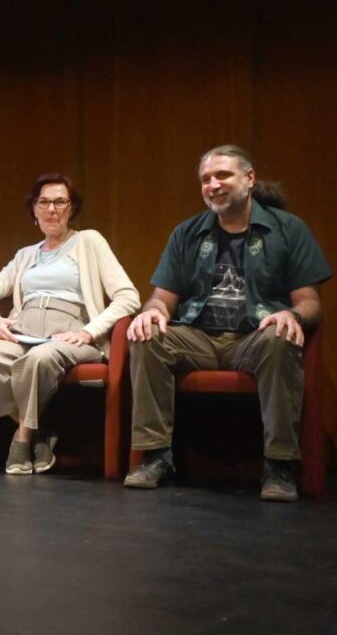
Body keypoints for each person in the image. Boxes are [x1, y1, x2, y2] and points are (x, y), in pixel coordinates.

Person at [124, 145, 331, 501]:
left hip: (255, 337)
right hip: (198, 337)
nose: (213, 184)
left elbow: (310, 302)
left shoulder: (288, 229)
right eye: (206, 179)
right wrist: (152, 311)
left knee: (279, 337)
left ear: (249, 178)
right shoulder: (187, 233)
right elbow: (162, 298)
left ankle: (279, 465)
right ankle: (156, 457)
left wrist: (292, 315)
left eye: (223, 175)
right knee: (146, 335)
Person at [0, 173, 140, 474]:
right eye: (43, 202)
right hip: (24, 331)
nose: (51, 209)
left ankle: (22, 439)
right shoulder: (25, 255)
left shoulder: (89, 241)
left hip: (70, 334)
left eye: (60, 202)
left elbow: (129, 296)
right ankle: (40, 430)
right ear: (33, 209)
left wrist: (89, 331)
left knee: (38, 359)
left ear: (72, 208)